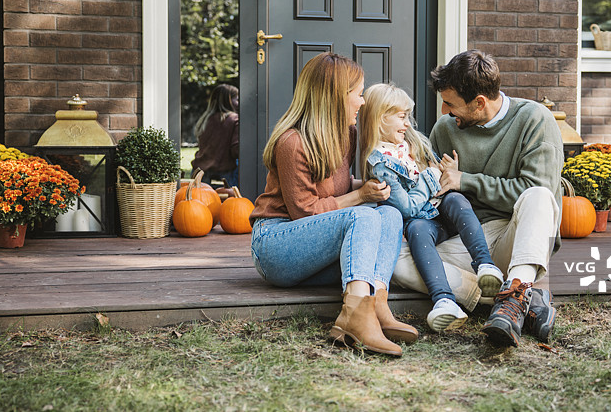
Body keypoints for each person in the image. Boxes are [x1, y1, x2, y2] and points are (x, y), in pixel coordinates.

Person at [391, 50, 563, 347]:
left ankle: (515, 289)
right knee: (395, 256)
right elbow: (438, 194)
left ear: (479, 102)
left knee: (539, 196)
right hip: (467, 241)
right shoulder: (445, 129)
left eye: (451, 104)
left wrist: (465, 181)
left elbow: (533, 189)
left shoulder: (534, 119)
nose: (444, 111)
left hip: (514, 235)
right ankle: (516, 300)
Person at [249, 52, 417, 357]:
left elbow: (336, 190)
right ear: (335, 97)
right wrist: (361, 197)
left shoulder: (347, 134)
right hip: (277, 247)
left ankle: (375, 302)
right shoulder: (293, 142)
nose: (363, 102)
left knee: (390, 214)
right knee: (363, 216)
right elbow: (306, 210)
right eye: (358, 94)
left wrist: (372, 189)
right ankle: (355, 315)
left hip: (316, 251)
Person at [359, 83, 504, 332]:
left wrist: (448, 171)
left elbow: (436, 168)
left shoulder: (410, 141)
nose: (407, 124)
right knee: (416, 228)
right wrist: (431, 177)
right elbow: (408, 208)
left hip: (445, 210)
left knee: (457, 200)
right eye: (402, 118)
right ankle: (444, 301)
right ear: (381, 119)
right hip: (423, 220)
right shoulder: (380, 163)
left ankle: (485, 266)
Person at [191, 84, 239, 188]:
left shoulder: (205, 119)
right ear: (229, 100)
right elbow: (236, 150)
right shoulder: (234, 119)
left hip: (200, 173)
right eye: (237, 99)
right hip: (224, 175)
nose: (239, 103)